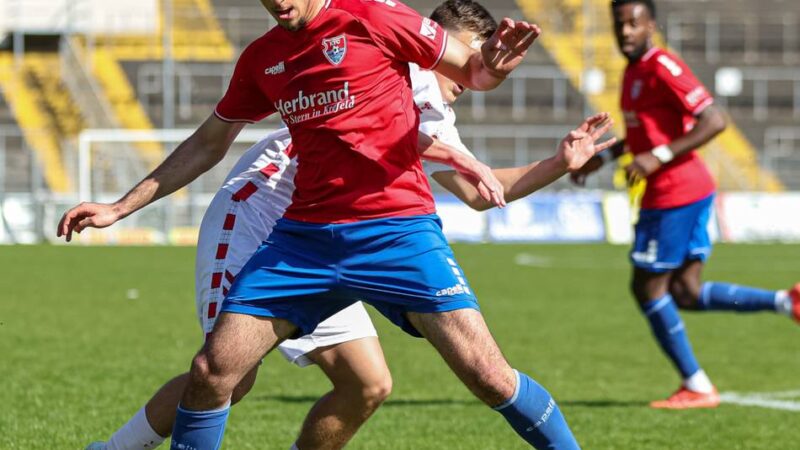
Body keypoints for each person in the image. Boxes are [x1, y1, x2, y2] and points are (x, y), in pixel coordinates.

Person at [59, 0, 595, 447]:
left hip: (393, 231)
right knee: (219, 374)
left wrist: (552, 159)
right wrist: (120, 208)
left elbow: (475, 175)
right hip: (274, 221)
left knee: (388, 383)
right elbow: (211, 142)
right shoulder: (272, 56)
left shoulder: (384, 32)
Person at [571, 0, 800, 410]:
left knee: (646, 287)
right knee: (685, 292)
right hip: (684, 192)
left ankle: (696, 384)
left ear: (651, 25)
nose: (626, 32)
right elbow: (643, 137)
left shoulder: (663, 66)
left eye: (634, 24)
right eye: (619, 24)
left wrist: (656, 158)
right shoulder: (633, 71)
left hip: (674, 194)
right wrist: (603, 158)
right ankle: (787, 302)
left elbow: (715, 120)